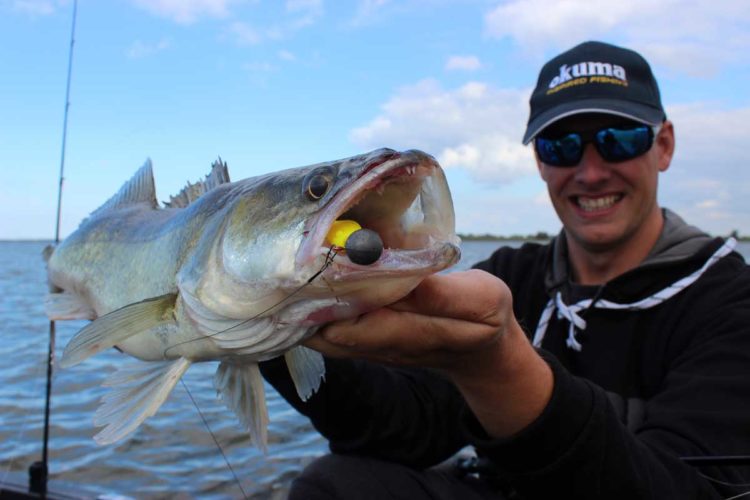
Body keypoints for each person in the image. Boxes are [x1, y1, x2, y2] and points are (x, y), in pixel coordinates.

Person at [260, 41, 750, 499]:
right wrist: (267, 324)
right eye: (561, 145)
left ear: (663, 145)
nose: (592, 171)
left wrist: (498, 367)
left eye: (619, 139)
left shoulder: (730, 300)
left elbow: (696, 485)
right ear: (540, 160)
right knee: (338, 485)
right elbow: (404, 429)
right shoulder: (515, 274)